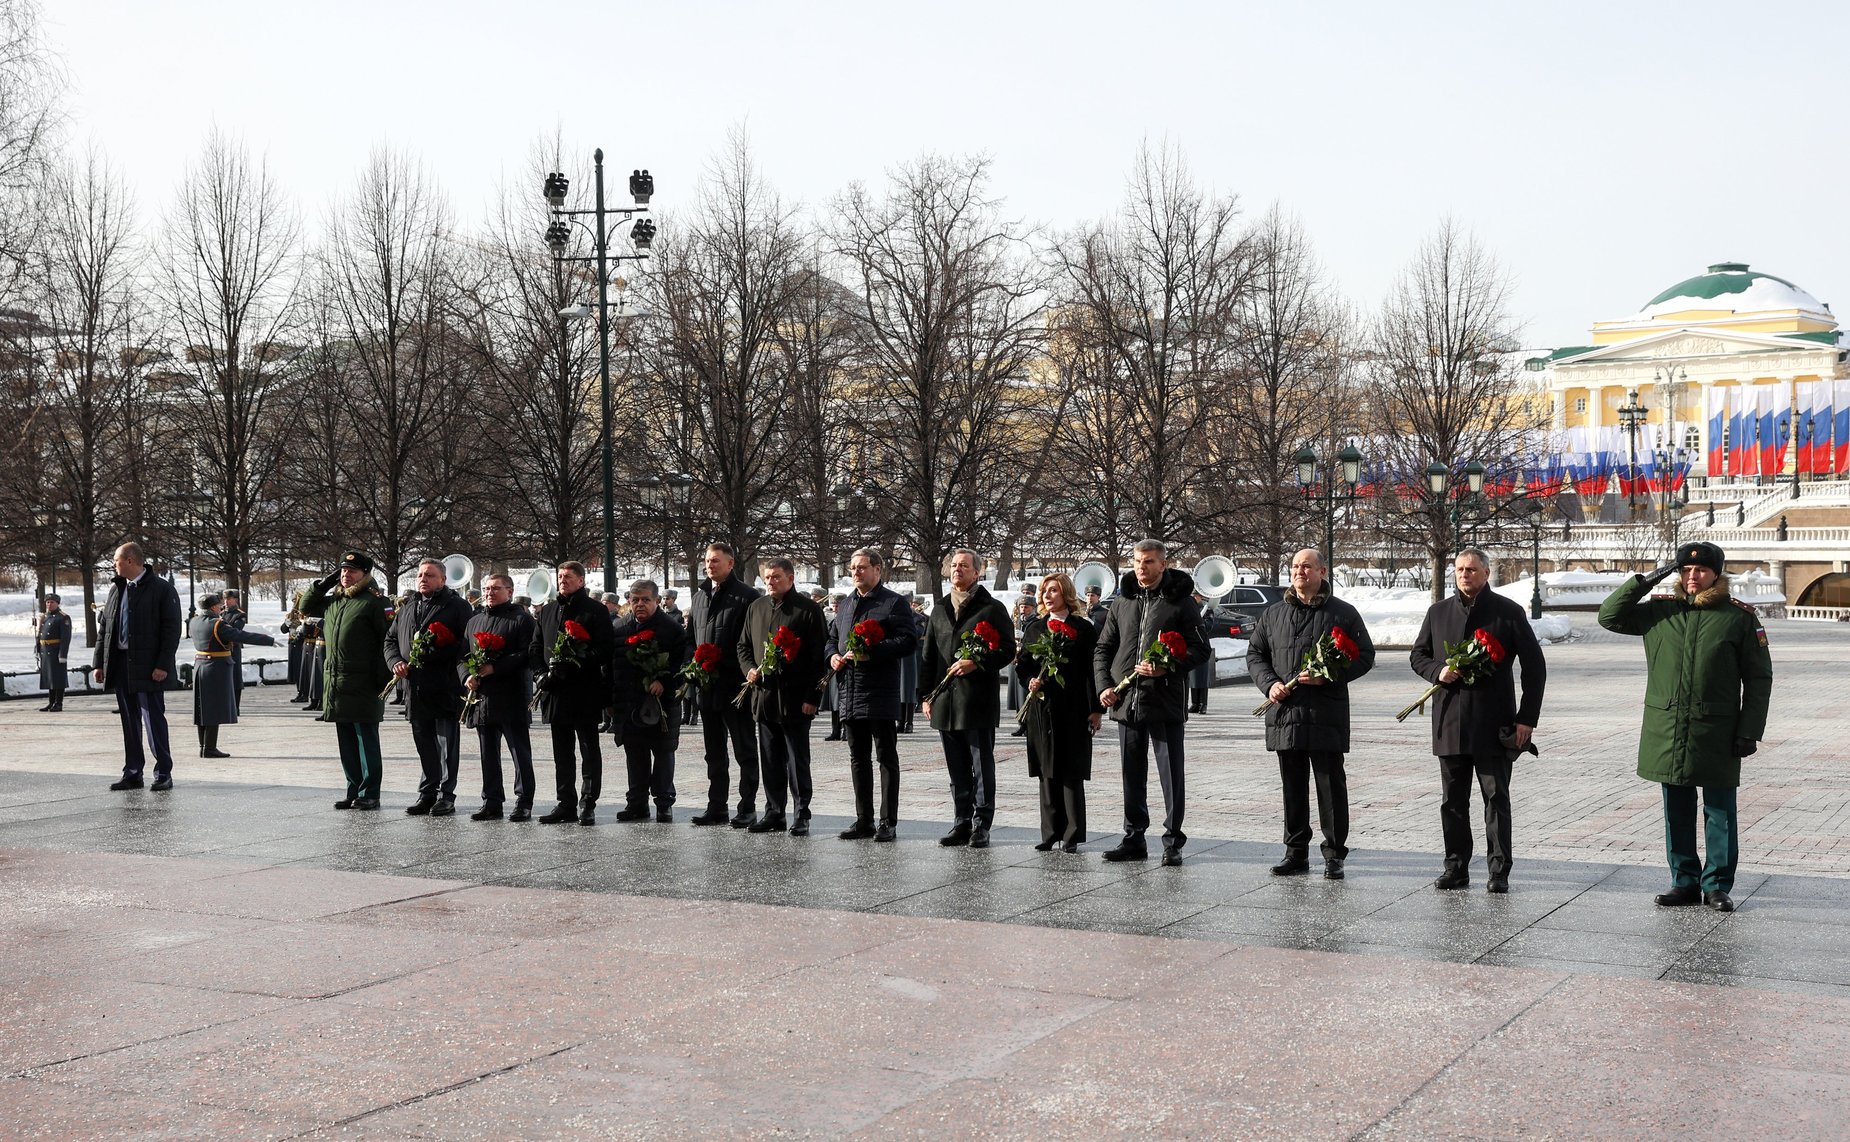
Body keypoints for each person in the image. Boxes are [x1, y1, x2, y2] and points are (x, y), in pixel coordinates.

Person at [1597, 541, 1772, 913]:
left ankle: (1717, 885)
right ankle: (1684, 881)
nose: (1693, 576)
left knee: (1720, 810)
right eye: (1686, 570)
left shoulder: (1738, 618)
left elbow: (1759, 679)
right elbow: (1609, 616)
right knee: (1676, 807)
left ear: (1716, 574)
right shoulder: (1660, 613)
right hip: (1668, 726)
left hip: (1717, 729)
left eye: (1702, 570)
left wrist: (1749, 730)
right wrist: (1650, 578)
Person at [1409, 548, 1546, 894]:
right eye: (1459, 570)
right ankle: (1455, 867)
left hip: (1493, 723)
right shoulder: (1438, 612)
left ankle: (1499, 870)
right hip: (1450, 722)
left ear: (1486, 573)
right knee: (1452, 801)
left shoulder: (1508, 612)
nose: (1464, 575)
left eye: (1471, 569)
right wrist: (1438, 671)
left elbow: (1534, 668)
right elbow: (1418, 655)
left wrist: (1526, 719)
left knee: (1496, 798)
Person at [1248, 549, 1377, 880]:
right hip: (1285, 713)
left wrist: (1329, 676)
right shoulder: (1274, 613)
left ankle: (1334, 853)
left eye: (1306, 566)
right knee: (1291, 786)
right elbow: (1255, 654)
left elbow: (1364, 656)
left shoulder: (1343, 613)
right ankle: (1295, 852)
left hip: (1325, 713)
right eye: (1294, 566)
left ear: (1322, 571)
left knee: (1329, 785)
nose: (1299, 571)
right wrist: (1270, 684)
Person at [1093, 540, 1210, 866]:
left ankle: (1173, 841)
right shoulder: (1122, 602)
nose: (1141, 568)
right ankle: (1134, 838)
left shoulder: (1181, 604)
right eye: (1137, 562)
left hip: (1165, 701)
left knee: (1171, 774)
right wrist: (1104, 685)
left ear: (1163, 564)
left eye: (1148, 562)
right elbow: (1103, 648)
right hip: (1126, 701)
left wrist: (1167, 667)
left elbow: (1201, 650)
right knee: (1132, 773)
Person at [921, 549, 1016, 848]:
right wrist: (926, 695)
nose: (957, 570)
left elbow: (1008, 650)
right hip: (946, 702)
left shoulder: (992, 608)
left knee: (980, 763)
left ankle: (981, 823)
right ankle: (961, 820)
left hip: (977, 700)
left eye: (964, 566)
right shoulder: (939, 609)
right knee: (956, 766)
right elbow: (930, 658)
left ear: (978, 572)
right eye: (954, 565)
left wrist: (978, 661)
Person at [827, 549, 918, 842]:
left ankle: (887, 821)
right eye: (852, 568)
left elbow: (907, 641)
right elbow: (831, 639)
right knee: (858, 758)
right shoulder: (846, 604)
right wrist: (832, 656)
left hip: (879, 690)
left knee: (885, 757)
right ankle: (863, 819)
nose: (856, 572)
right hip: (850, 691)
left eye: (862, 567)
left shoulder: (892, 602)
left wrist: (872, 652)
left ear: (877, 570)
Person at [737, 557, 828, 835]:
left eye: (776, 577)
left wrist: (813, 697)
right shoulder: (757, 607)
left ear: (790, 578)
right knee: (770, 758)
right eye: (767, 578)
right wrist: (750, 669)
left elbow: (817, 658)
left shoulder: (808, 610)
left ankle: (801, 812)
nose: (770, 582)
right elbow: (743, 646)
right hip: (764, 697)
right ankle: (774, 811)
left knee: (796, 759)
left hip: (795, 698)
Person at [1014, 573, 1102, 852]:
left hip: (1074, 708)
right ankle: (1050, 832)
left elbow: (1092, 671)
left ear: (1065, 593)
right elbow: (1023, 664)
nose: (1047, 596)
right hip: (1042, 708)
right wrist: (1030, 680)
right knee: (1047, 770)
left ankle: (1072, 835)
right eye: (1044, 591)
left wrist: (1097, 709)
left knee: (1071, 770)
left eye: (1053, 590)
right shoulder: (1035, 628)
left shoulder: (1083, 628)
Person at [298, 551, 392, 810]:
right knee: (346, 739)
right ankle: (353, 789)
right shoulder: (335, 601)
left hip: (364, 682)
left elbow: (386, 642)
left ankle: (370, 791)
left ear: (365, 574)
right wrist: (325, 583)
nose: (345, 575)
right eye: (342, 570)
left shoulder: (374, 602)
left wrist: (381, 683)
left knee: (366, 739)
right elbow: (305, 607)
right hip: (337, 682)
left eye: (352, 571)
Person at [384, 557, 475, 817]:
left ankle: (446, 795)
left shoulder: (457, 606)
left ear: (443, 580)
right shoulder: (409, 606)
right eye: (420, 575)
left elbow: (465, 645)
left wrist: (435, 651)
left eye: (430, 575)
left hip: (444, 685)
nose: (424, 579)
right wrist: (396, 662)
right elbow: (390, 640)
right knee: (423, 741)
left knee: (446, 744)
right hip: (415, 687)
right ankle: (427, 792)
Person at [531, 561, 616, 825]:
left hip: (584, 690)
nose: (563, 580)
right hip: (555, 692)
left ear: (581, 580)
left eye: (568, 576)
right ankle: (564, 803)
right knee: (562, 751)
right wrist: (540, 675)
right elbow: (535, 648)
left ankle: (588, 803)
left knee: (589, 749)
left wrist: (576, 662)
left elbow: (605, 649)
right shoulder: (547, 611)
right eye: (560, 576)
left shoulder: (595, 611)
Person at [92, 543, 183, 791]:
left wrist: (163, 664)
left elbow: (172, 630)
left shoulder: (162, 589)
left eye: (116, 561)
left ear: (130, 561)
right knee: (129, 722)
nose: (114, 565)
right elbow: (105, 629)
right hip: (121, 665)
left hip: (149, 666)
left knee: (153, 720)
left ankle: (163, 772)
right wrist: (99, 662)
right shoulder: (116, 589)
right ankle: (132, 772)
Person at [687, 542, 762, 828]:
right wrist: (692, 667)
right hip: (707, 688)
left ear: (730, 564)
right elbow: (691, 639)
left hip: (735, 686)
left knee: (744, 750)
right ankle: (716, 806)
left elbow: (752, 643)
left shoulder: (747, 597)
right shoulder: (699, 596)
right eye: (707, 561)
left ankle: (747, 807)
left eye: (715, 561)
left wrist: (738, 669)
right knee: (714, 752)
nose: (709, 565)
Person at [461, 573, 538, 822]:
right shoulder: (474, 621)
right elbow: (462, 655)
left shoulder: (522, 619)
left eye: (495, 589)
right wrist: (466, 676)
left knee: (519, 752)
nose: (489, 593)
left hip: (512, 696)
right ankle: (492, 801)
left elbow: (528, 654)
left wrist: (497, 667)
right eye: (486, 589)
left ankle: (524, 801)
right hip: (483, 697)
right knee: (487, 754)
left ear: (510, 590)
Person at [611, 579, 688, 824]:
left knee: (663, 753)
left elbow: (682, 664)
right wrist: (611, 700)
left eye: (646, 599)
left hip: (661, 704)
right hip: (629, 704)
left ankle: (664, 803)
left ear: (656, 601)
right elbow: (611, 667)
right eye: (635, 600)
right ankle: (637, 803)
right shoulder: (620, 628)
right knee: (635, 756)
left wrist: (664, 681)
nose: (640, 604)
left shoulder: (672, 628)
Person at [190, 592, 277, 758]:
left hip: (200, 666)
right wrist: (269, 640)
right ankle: (209, 747)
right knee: (213, 708)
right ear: (213, 607)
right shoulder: (217, 624)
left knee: (202, 708)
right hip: (215, 668)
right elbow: (241, 636)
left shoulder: (194, 621)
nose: (221, 606)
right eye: (218, 604)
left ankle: (203, 746)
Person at [36, 594, 72, 712]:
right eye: (47, 602)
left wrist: (62, 655)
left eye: (52, 602)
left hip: (56, 651)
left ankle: (58, 703)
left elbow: (65, 638)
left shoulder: (63, 617)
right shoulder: (45, 617)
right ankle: (51, 702)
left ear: (57, 603)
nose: (49, 604)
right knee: (50, 678)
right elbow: (41, 634)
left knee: (58, 677)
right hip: (46, 651)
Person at [1005, 594, 1035, 733]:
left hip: (1029, 661)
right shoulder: (1016, 621)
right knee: (1018, 695)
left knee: (1026, 693)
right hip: (1016, 659)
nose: (1023, 609)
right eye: (1022, 606)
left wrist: (1025, 637)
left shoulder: (1035, 622)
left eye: (1027, 607)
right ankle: (1021, 722)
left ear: (1033, 608)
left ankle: (1028, 723)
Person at [1187, 593, 1215, 714]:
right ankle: (1195, 703)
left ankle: (1203, 704)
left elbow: (1209, 626)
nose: (1194, 598)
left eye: (1196, 596)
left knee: (1202, 676)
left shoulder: (1207, 609)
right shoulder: (1189, 608)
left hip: (1202, 645)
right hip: (1191, 645)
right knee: (1193, 677)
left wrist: (1199, 622)